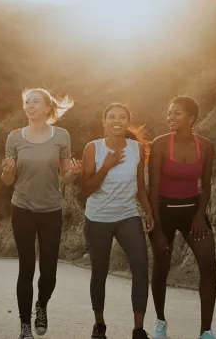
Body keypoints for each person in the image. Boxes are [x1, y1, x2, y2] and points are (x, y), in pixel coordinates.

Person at [1, 88, 82, 339]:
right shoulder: (14, 138)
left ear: (47, 108)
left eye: (36, 101)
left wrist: (74, 173)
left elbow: (65, 175)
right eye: (27, 102)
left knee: (49, 270)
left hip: (51, 209)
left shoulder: (62, 136)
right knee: (26, 268)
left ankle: (41, 306)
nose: (30, 105)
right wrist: (7, 171)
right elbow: (7, 180)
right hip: (22, 207)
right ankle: (25, 325)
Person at [80, 103, 154, 339]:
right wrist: (106, 166)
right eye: (112, 117)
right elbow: (87, 189)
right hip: (98, 217)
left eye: (122, 117)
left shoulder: (137, 149)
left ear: (128, 121)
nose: (117, 121)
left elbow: (140, 186)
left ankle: (138, 329)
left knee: (141, 268)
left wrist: (149, 212)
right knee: (99, 271)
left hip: (127, 215)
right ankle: (99, 325)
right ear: (104, 121)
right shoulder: (94, 148)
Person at [148, 96, 216, 339]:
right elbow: (153, 187)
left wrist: (200, 215)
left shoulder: (206, 146)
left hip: (192, 211)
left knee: (208, 265)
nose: (170, 117)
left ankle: (206, 331)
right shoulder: (159, 145)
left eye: (176, 113)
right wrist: (156, 228)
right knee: (161, 266)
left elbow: (206, 185)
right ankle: (160, 321)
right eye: (168, 113)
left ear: (191, 118)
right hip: (163, 210)